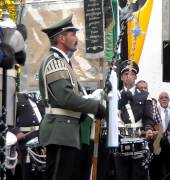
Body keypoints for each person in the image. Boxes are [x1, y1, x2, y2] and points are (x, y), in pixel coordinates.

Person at [38, 15, 107, 180]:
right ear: (61, 38)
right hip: (60, 132)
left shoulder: (63, 62)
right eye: (73, 34)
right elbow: (65, 97)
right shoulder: (55, 61)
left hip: (68, 132)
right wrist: (94, 107)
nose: (76, 38)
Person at [115, 60, 154, 180]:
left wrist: (148, 129)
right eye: (126, 74)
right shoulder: (115, 96)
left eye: (132, 74)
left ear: (136, 77)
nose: (129, 77)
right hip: (120, 140)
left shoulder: (144, 95)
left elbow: (148, 118)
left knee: (138, 175)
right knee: (122, 175)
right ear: (121, 77)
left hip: (139, 140)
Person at [149, 91, 170, 180]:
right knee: (157, 167)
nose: (164, 99)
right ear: (158, 100)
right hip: (158, 142)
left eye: (166, 97)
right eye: (161, 97)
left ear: (169, 99)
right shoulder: (154, 112)